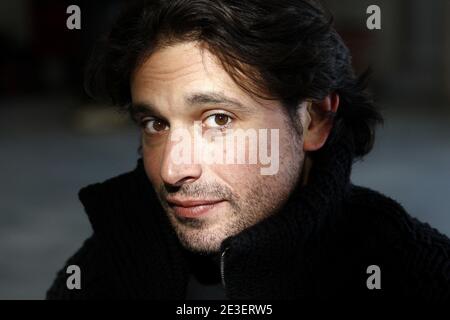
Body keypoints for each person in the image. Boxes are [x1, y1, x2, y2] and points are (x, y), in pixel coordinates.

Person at [47, 0, 450, 300]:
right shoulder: (105, 265)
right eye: (156, 124)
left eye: (218, 119)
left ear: (315, 120)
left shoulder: (414, 273)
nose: (172, 169)